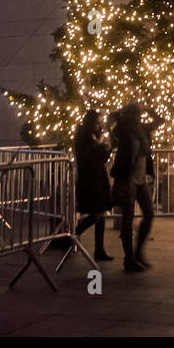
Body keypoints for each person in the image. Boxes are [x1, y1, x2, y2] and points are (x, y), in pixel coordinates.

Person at [110, 103, 155, 273]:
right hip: (128, 178)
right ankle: (129, 258)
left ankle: (138, 252)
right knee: (127, 218)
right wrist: (118, 116)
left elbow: (160, 121)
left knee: (149, 213)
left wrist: (149, 109)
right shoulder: (124, 130)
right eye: (136, 114)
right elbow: (115, 132)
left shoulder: (142, 129)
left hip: (140, 178)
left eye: (139, 114)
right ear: (130, 116)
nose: (139, 117)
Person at [73, 110, 113, 261]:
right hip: (90, 180)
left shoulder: (93, 136)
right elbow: (90, 157)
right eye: (97, 122)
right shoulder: (84, 137)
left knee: (101, 213)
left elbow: (100, 157)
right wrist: (101, 146)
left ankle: (99, 249)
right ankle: (73, 234)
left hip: (98, 178)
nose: (99, 125)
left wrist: (104, 149)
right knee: (97, 213)